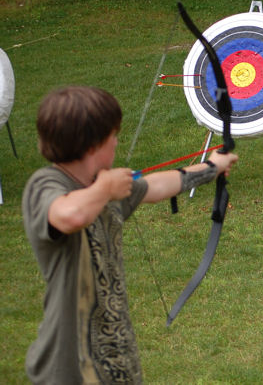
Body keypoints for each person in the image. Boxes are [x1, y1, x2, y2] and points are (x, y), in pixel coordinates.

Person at [22, 86, 238, 384]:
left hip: (115, 357)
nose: (116, 142)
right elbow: (69, 216)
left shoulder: (103, 186)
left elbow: (155, 186)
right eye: (113, 136)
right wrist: (105, 189)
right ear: (93, 144)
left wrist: (211, 168)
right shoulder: (46, 184)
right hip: (68, 365)